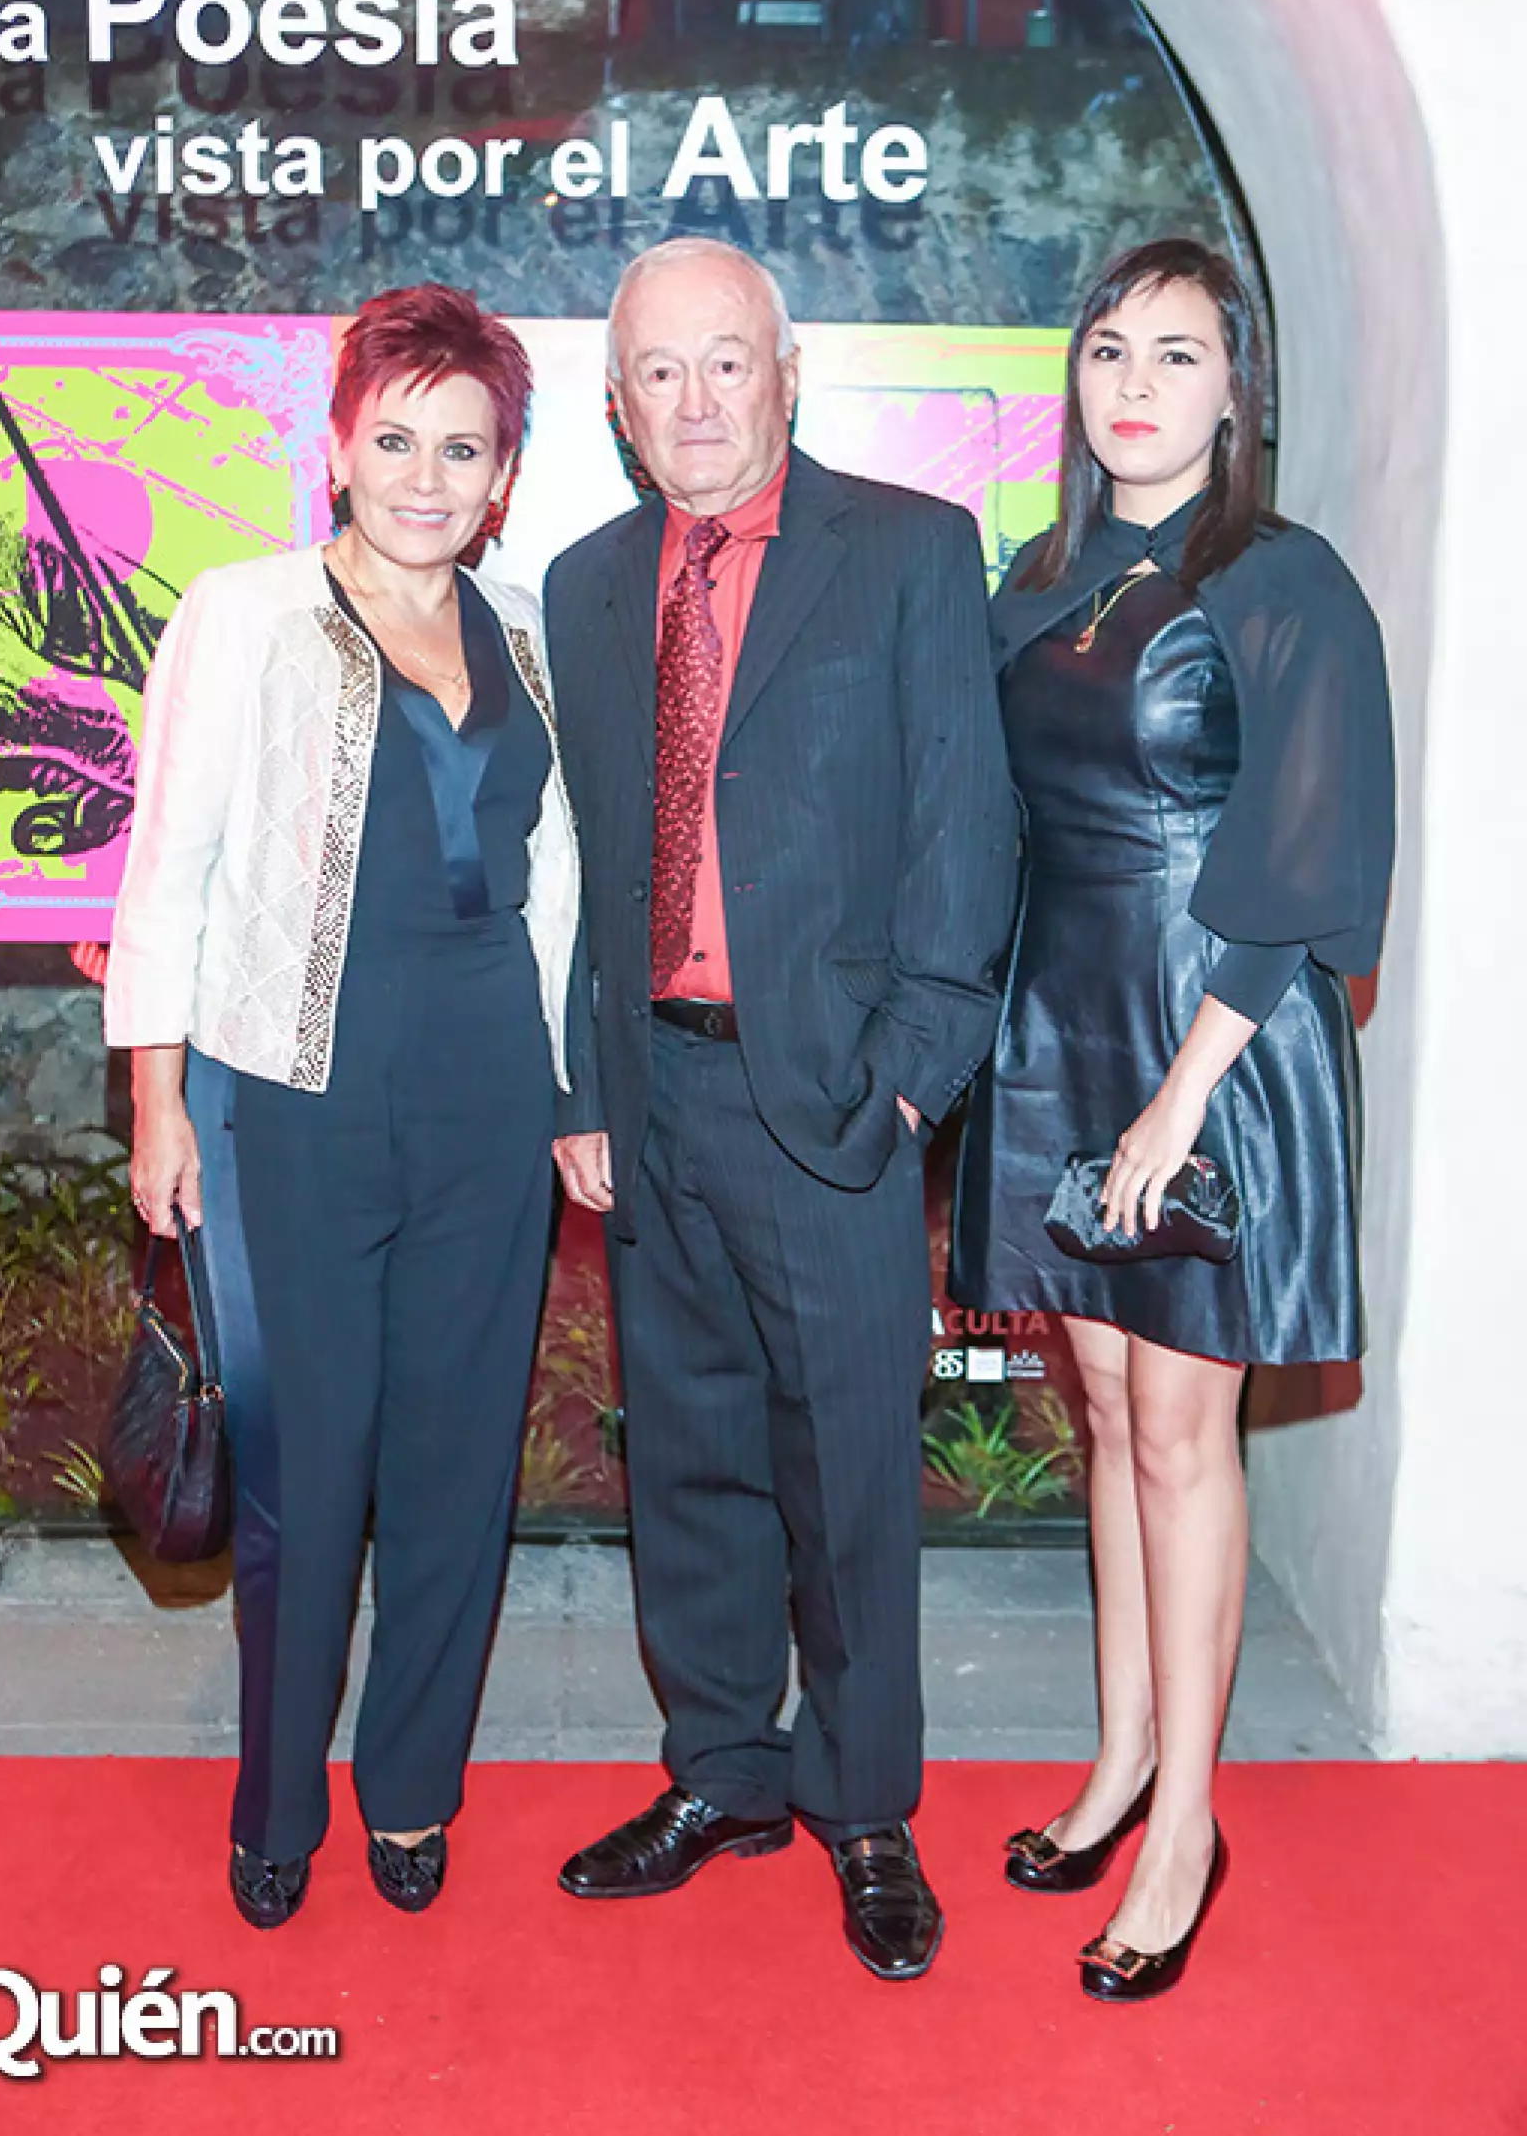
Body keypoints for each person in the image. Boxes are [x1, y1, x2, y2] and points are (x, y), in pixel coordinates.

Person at [546, 236, 1016, 1980]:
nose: (696, 400)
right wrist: (587, 1084)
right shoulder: (586, 586)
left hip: (830, 1100)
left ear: (788, 373)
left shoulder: (908, 552)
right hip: (653, 1094)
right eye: (659, 372)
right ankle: (723, 1773)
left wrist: (905, 1086)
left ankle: (866, 1805)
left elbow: (966, 834)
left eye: (726, 360)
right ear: (617, 404)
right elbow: (588, 865)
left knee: (850, 1475)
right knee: (687, 1458)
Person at [951, 238, 1395, 2002]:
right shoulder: (1037, 573)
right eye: (1109, 349)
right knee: (1114, 1411)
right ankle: (1126, 1754)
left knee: (1186, 1431)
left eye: (1178, 354)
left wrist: (1181, 1094)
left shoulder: (1285, 580)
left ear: (1236, 391)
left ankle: (1191, 1826)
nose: (1134, 384)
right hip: (1061, 1015)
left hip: (1217, 1030)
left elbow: (1304, 850)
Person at [103, 284, 579, 1929]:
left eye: (464, 447)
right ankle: (278, 1801)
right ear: (336, 449)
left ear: (504, 472)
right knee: (306, 1466)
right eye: (397, 439)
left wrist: (570, 1090)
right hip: (291, 1088)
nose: (427, 477)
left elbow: (558, 871)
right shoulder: (243, 613)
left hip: (490, 1089)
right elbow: (168, 868)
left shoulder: (527, 626)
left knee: (459, 1453)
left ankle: (414, 1785)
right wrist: (159, 1099)